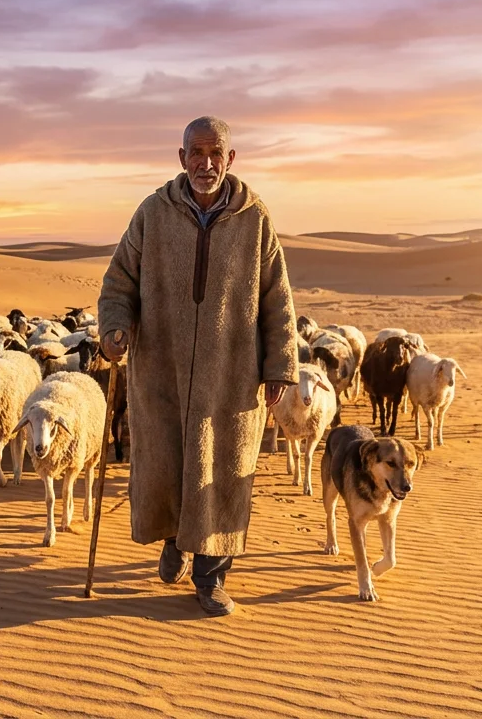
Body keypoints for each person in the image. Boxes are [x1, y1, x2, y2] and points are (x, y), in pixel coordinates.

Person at [96, 116, 298, 616]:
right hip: (160, 367)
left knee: (222, 472)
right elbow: (119, 280)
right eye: (196, 154)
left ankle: (211, 577)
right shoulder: (153, 213)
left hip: (230, 374)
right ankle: (173, 539)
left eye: (216, 154)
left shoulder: (255, 219)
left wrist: (279, 366)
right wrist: (114, 328)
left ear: (231, 159)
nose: (206, 164)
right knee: (165, 463)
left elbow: (278, 297)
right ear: (181, 157)